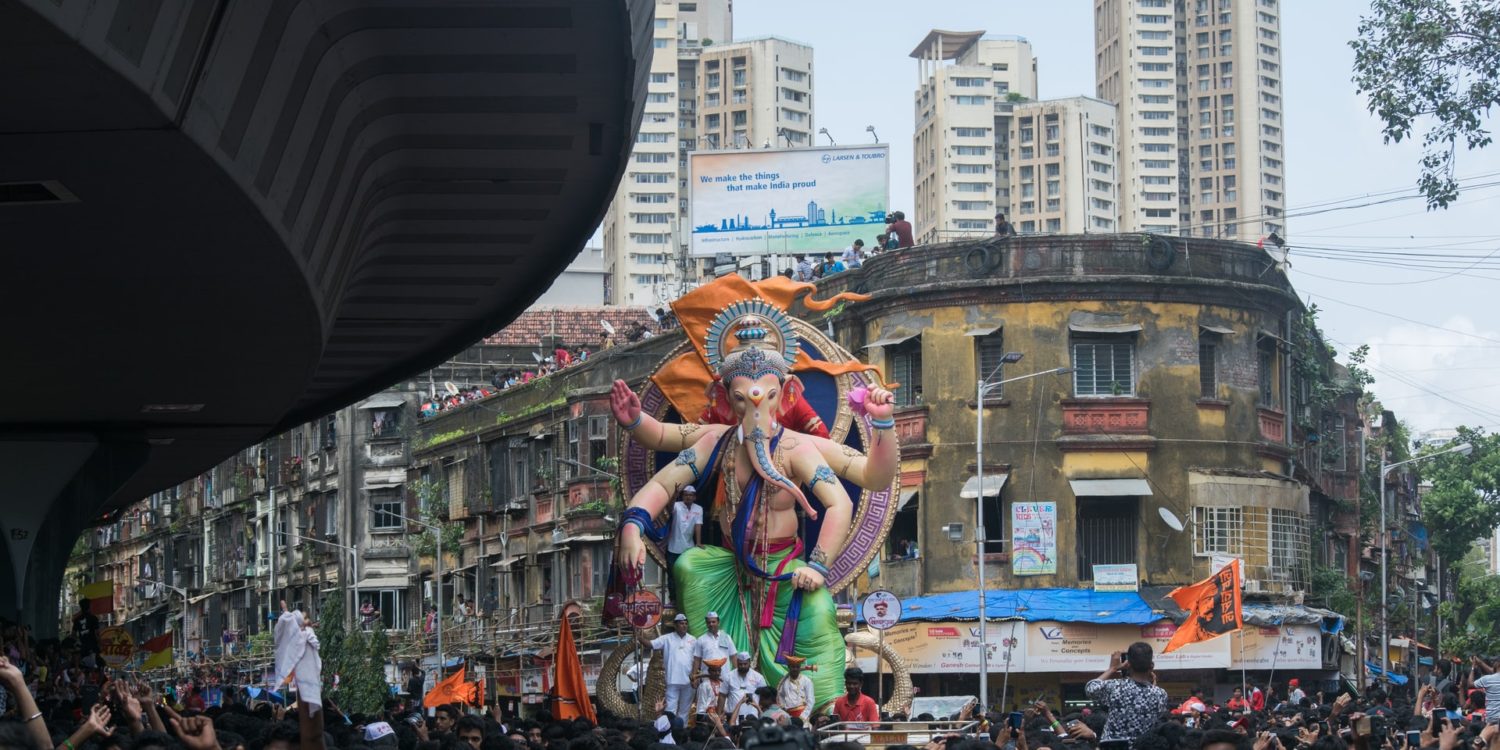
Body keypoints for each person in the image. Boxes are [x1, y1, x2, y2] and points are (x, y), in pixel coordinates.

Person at [1085, 642, 1168, 746]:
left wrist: (1112, 668)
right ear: (1151, 666)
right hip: (1143, 747)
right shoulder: (1160, 694)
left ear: (1128, 664)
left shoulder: (1115, 687)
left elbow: (1090, 688)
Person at [643, 613, 698, 718]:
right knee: (670, 710)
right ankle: (669, 732)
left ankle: (681, 732)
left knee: (685, 711)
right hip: (672, 681)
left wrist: (695, 675)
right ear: (675, 625)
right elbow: (650, 644)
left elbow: (696, 659)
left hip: (688, 681)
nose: (684, 626)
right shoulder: (667, 638)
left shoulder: (693, 639)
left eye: (686, 623)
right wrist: (639, 638)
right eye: (681, 624)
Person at [667, 486, 703, 604]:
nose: (688, 497)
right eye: (686, 494)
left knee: (688, 575)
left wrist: (698, 543)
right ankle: (673, 599)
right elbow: (669, 508)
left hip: (689, 548)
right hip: (673, 547)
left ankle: (689, 598)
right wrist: (674, 495)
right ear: (682, 496)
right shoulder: (677, 505)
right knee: (672, 575)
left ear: (694, 497)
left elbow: (698, 525)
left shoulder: (698, 509)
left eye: (691, 495)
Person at [721, 651, 768, 720]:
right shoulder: (729, 676)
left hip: (752, 717)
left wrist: (761, 711)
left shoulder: (758, 677)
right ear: (737, 662)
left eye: (745, 664)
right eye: (740, 664)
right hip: (732, 716)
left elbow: (765, 696)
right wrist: (719, 714)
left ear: (749, 662)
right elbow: (722, 695)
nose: (743, 666)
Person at [693, 611, 737, 680]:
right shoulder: (701, 639)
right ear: (706, 624)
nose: (711, 624)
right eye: (709, 622)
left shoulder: (726, 637)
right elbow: (697, 659)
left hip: (725, 677)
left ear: (718, 622)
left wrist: (737, 674)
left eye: (713, 622)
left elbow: (733, 656)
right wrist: (694, 675)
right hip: (707, 677)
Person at [777, 655, 817, 720]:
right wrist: (783, 706)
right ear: (789, 667)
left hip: (802, 715)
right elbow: (780, 695)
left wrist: (803, 716)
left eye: (797, 667)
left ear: (800, 668)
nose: (795, 669)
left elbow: (811, 701)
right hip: (789, 715)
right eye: (793, 667)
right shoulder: (785, 682)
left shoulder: (806, 681)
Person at [72, 598, 100, 667]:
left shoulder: (77, 620)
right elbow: (97, 633)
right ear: (89, 606)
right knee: (96, 666)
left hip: (82, 647)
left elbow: (73, 634)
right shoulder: (94, 618)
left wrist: (78, 642)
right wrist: (100, 643)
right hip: (93, 646)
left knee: (84, 667)